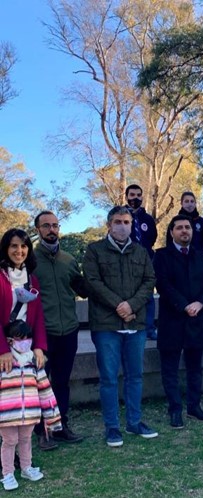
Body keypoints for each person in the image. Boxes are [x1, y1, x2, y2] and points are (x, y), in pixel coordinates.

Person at [83, 206, 158, 447]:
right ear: (109, 225)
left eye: (126, 222)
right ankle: (112, 427)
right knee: (109, 378)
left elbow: (149, 281)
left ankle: (134, 422)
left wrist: (132, 305)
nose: (122, 226)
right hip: (106, 325)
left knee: (135, 376)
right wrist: (119, 305)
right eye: (117, 221)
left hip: (135, 323)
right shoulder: (94, 250)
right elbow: (92, 282)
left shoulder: (141, 251)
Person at [0, 228, 57, 489]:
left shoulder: (32, 279)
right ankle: (6, 468)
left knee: (22, 410)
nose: (18, 251)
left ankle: (24, 465)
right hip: (4, 352)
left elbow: (39, 318)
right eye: (13, 246)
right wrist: (2, 349)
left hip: (25, 350)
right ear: (5, 248)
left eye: (23, 247)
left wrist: (39, 347)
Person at [154, 215, 203, 428]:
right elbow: (163, 284)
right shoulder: (161, 256)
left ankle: (194, 407)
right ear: (171, 232)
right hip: (172, 320)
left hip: (196, 319)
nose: (184, 231)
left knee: (194, 368)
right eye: (179, 227)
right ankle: (175, 410)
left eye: (187, 227)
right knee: (170, 369)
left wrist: (201, 303)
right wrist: (184, 305)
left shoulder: (201, 256)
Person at [33, 210, 86, 450]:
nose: (51, 230)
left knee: (62, 382)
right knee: (39, 384)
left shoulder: (69, 259)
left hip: (69, 330)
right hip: (42, 334)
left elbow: (82, 287)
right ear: (38, 230)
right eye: (46, 226)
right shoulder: (29, 262)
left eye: (55, 225)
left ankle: (61, 426)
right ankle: (41, 431)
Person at [0, 321, 61, 490]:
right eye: (21, 339)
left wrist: (51, 415)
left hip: (30, 412)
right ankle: (8, 474)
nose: (25, 342)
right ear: (10, 340)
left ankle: (26, 468)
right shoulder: (3, 363)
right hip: (6, 414)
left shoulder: (34, 362)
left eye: (28, 338)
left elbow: (44, 388)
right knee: (9, 441)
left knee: (26, 439)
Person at [125, 184, 158, 340]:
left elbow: (152, 238)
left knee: (148, 297)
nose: (135, 198)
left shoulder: (148, 219)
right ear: (126, 197)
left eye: (138, 195)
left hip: (146, 262)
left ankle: (149, 329)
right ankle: (133, 327)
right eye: (132, 195)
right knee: (131, 296)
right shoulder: (122, 217)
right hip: (127, 263)